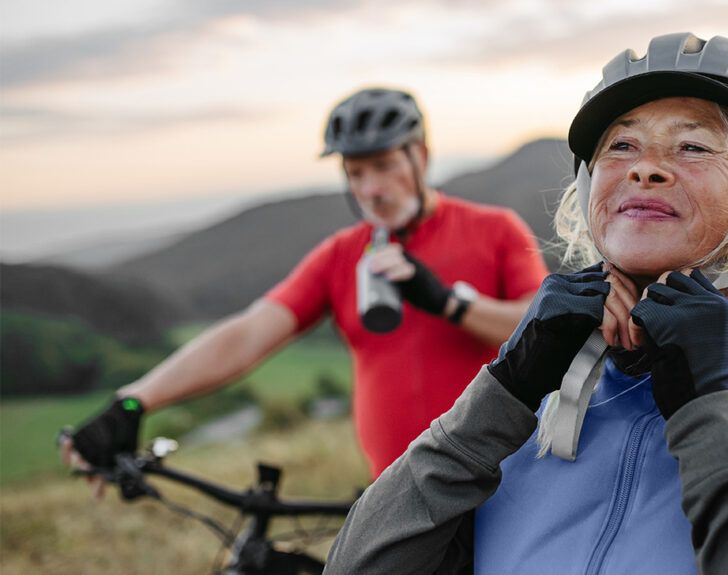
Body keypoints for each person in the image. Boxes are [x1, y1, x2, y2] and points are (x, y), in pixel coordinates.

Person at [323, 34, 728, 574]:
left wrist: (707, 401)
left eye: (694, 145)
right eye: (622, 145)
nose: (644, 167)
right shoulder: (528, 404)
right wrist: (507, 386)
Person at [61, 87, 549, 486]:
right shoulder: (342, 255)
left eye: (384, 166)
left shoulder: (495, 229)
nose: (371, 189)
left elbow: (541, 326)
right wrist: (134, 400)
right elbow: (248, 334)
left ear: (420, 157)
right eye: (355, 172)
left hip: (503, 477)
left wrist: (448, 302)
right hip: (397, 494)